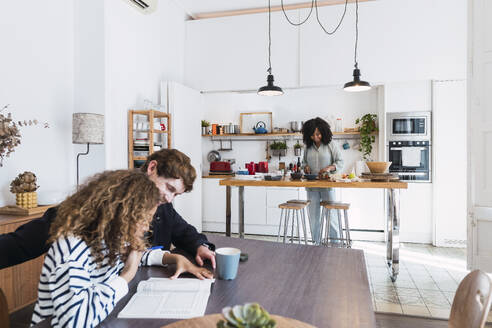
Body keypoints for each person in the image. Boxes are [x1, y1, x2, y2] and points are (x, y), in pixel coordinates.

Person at [31, 170, 208, 327]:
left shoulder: (110, 237)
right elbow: (76, 321)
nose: (146, 228)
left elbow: (134, 255)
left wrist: (172, 258)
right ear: (122, 214)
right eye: (144, 219)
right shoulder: (72, 248)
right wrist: (126, 276)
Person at [0, 149, 216, 276]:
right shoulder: (96, 204)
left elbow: (183, 230)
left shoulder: (162, 205)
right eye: (169, 189)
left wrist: (200, 246)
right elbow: (22, 243)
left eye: (175, 194)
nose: (169, 199)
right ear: (152, 168)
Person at [301, 117, 344, 245]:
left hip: (327, 185)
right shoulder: (308, 147)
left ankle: (335, 244)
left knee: (331, 217)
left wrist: (330, 167)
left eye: (318, 134)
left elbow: (340, 162)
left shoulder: (331, 145)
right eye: (312, 135)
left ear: (323, 132)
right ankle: (316, 244)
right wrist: (306, 167)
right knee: (314, 217)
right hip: (312, 186)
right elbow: (303, 163)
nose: (315, 137)